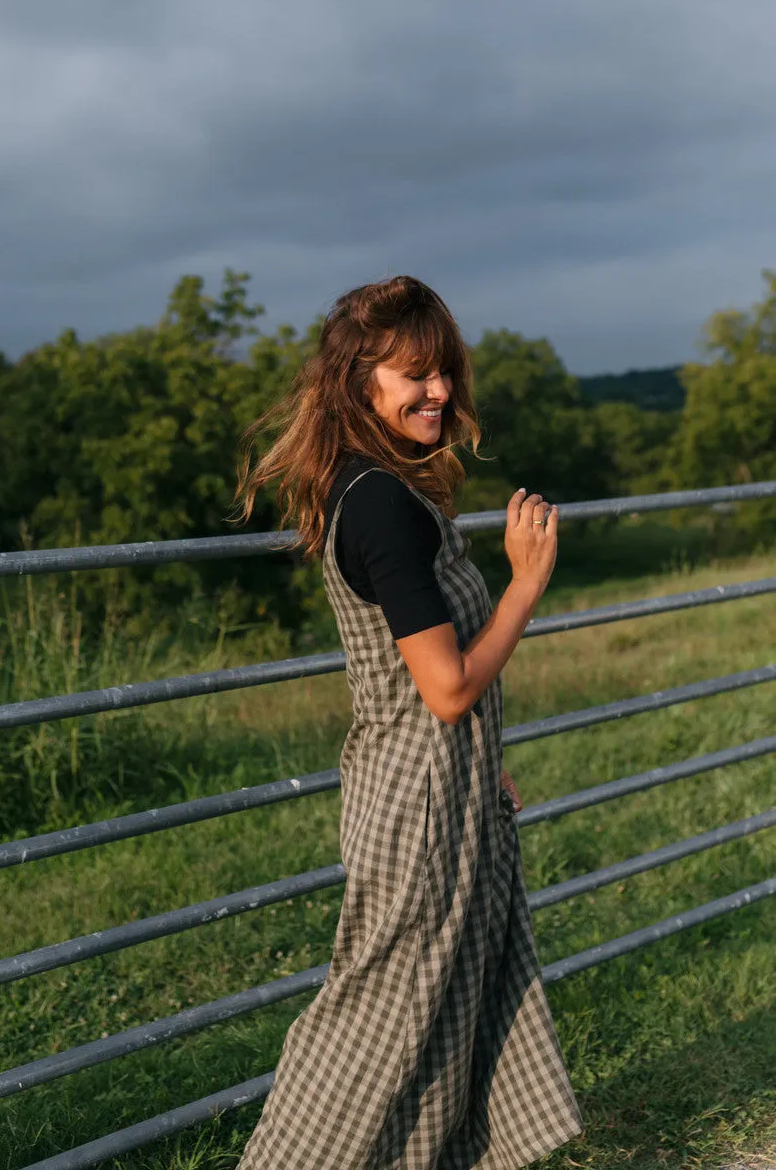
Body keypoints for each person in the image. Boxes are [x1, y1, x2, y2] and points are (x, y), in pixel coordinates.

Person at [234, 275, 583, 1168]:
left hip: (446, 788)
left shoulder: (387, 484)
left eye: (442, 373)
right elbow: (445, 689)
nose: (436, 392)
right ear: (360, 384)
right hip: (419, 811)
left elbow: (434, 695)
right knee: (370, 1038)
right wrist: (525, 584)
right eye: (413, 376)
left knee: (447, 1018)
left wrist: (485, 761)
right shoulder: (379, 503)